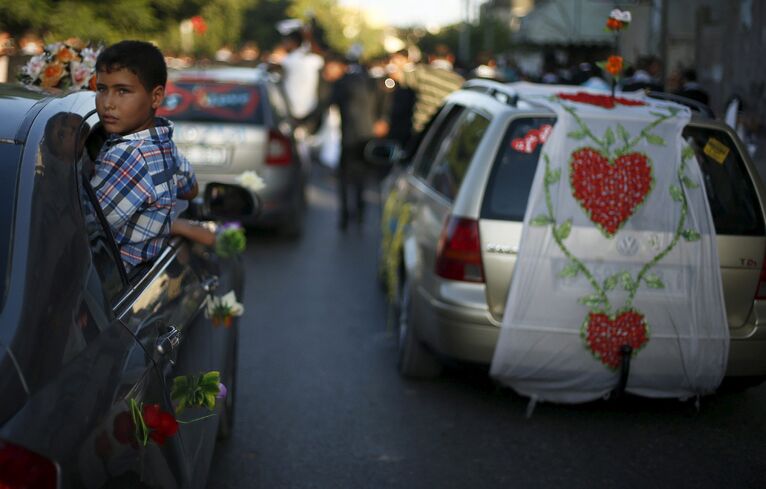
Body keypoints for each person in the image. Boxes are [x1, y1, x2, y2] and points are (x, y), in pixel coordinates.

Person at [91, 40, 211, 270]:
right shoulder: (162, 142)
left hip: (111, 280)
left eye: (122, 91)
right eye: (102, 89)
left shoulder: (129, 155)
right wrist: (164, 220)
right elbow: (190, 189)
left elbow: (82, 229)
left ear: (156, 97)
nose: (108, 103)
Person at [311, 52, 376, 229]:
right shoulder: (365, 79)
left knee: (345, 179)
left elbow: (323, 107)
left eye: (328, 67)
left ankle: (345, 217)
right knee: (361, 179)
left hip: (350, 139)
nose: (326, 72)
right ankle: (360, 213)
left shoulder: (341, 84)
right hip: (368, 136)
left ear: (338, 66)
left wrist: (302, 121)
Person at [391, 44, 464, 136]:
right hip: (445, 133)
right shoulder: (459, 82)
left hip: (421, 132)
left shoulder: (422, 72)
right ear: (450, 58)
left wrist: (399, 63)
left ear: (431, 58)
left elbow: (397, 76)